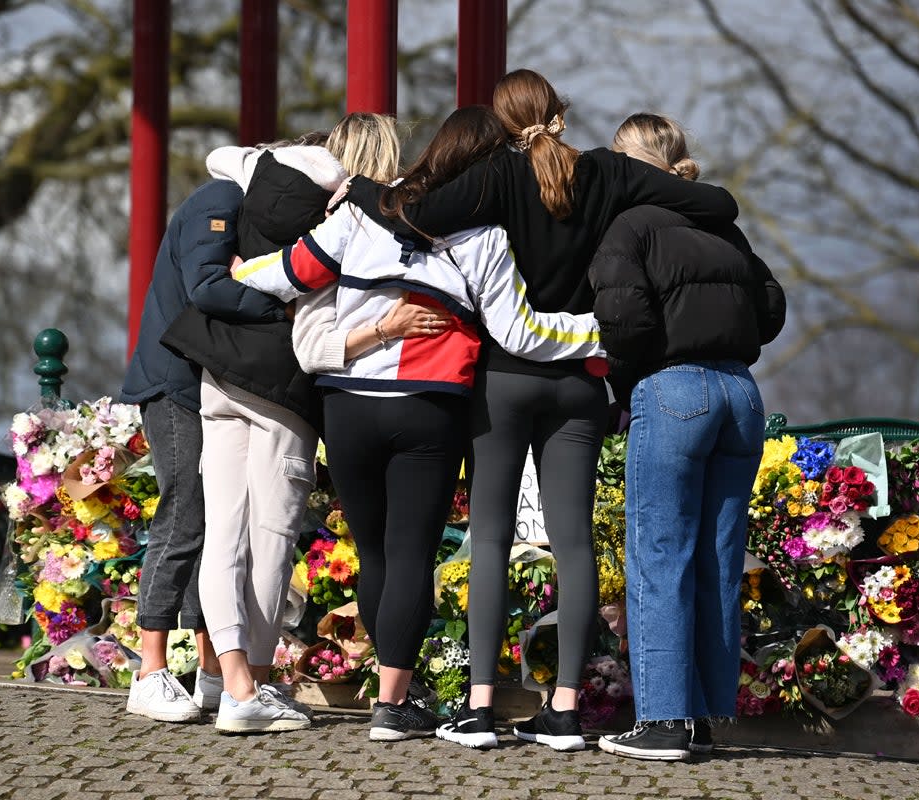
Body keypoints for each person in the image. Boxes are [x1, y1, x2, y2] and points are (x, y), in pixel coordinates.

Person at [344, 69, 740, 752]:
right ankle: (563, 713)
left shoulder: (496, 176)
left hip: (506, 379)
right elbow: (720, 203)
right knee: (575, 544)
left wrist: (354, 187)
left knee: (492, 539)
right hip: (581, 383)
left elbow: (406, 212)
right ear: (563, 113)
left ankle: (481, 708)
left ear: (502, 125)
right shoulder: (611, 173)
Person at [232, 105, 606, 742]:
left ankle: (389, 692)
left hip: (346, 403)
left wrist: (234, 271)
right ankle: (392, 702)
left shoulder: (360, 213)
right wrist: (599, 334)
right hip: (428, 405)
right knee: (410, 554)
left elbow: (288, 274)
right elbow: (515, 331)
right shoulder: (484, 235)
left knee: (375, 552)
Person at [160, 115, 433, 733]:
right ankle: (246, 686)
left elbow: (220, 157)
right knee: (272, 540)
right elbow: (318, 338)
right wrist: (384, 329)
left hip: (219, 375)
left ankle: (227, 674)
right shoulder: (346, 220)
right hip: (282, 389)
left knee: (223, 533)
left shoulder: (261, 178)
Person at [588, 113, 786, 760]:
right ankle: (703, 716)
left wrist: (626, 380)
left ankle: (663, 722)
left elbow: (621, 319)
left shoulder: (629, 226)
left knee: (659, 555)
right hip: (741, 394)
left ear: (628, 165)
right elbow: (772, 306)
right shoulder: (724, 226)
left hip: (672, 390)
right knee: (718, 562)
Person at [118, 177, 272, 723]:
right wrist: (284, 305)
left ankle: (210, 673)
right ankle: (149, 671)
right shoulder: (221, 200)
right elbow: (208, 286)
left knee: (212, 526)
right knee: (183, 518)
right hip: (175, 384)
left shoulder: (228, 205)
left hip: (195, 382)